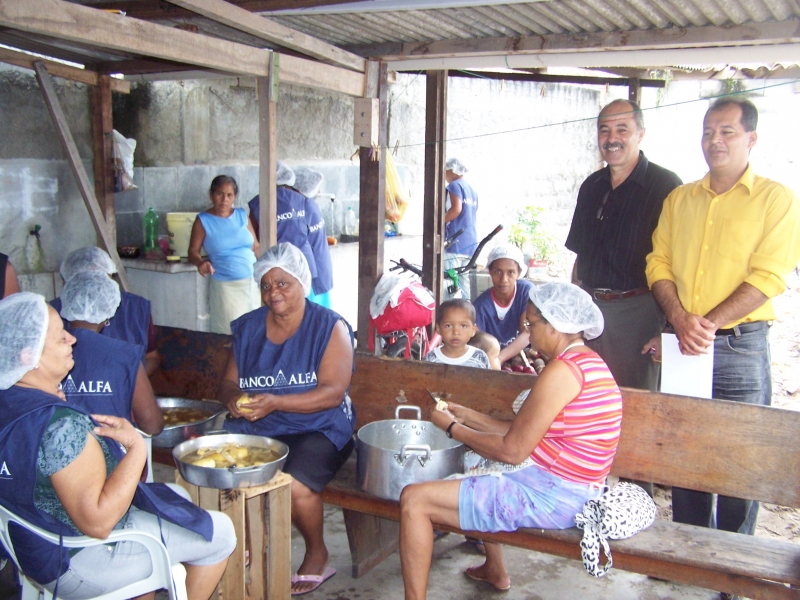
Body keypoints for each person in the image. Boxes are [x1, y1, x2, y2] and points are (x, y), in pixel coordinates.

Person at [0, 292, 235, 599]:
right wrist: (135, 448)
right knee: (221, 533)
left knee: (175, 496)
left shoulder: (13, 401)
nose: (72, 339)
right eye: (60, 338)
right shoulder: (61, 425)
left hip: (31, 543)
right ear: (26, 355)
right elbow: (98, 522)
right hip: (77, 560)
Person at [644, 98, 800, 557]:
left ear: (751, 138)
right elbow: (658, 262)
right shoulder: (680, 198)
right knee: (687, 452)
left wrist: (706, 324)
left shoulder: (776, 200)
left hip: (738, 347)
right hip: (682, 341)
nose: (715, 140)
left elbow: (770, 276)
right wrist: (678, 319)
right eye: (709, 131)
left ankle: (736, 563)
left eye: (728, 131)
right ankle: (692, 556)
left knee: (739, 457)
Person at [399, 282, 622, 598]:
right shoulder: (588, 363)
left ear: (555, 325)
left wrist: (451, 429)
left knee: (414, 500)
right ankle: (494, 568)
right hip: (572, 488)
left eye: (532, 324)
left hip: (556, 497)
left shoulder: (562, 372)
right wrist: (466, 415)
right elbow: (520, 429)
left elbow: (513, 450)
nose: (528, 333)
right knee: (473, 471)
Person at [218, 243, 355, 596]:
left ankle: (317, 551)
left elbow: (332, 393)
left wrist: (276, 402)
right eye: (266, 285)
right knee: (229, 471)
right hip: (260, 425)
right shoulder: (248, 329)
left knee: (293, 485)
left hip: (319, 426)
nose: (273, 292)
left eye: (283, 283)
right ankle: (251, 542)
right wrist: (233, 399)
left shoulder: (329, 327)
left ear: (302, 283)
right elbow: (228, 382)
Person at [566, 99, 682, 392]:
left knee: (634, 399)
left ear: (640, 133)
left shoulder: (666, 186)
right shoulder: (592, 185)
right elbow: (580, 256)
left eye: (622, 129)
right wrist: (575, 307)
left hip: (639, 311)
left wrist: (669, 329)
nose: (612, 138)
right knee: (586, 394)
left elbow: (679, 264)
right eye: (604, 130)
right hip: (590, 308)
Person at [59, 271, 163, 436]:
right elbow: (152, 426)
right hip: (114, 457)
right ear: (108, 310)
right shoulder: (126, 355)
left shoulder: (44, 355)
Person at [52, 247, 161, 376]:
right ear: (68, 283)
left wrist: (128, 381)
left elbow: (152, 357)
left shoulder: (136, 308)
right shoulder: (51, 313)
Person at [189, 175, 260, 335]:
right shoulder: (203, 220)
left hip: (252, 282)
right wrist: (200, 262)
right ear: (211, 194)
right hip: (227, 288)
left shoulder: (242, 215)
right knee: (230, 334)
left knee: (255, 331)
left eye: (229, 195)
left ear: (234, 197)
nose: (224, 200)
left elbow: (255, 246)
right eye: (220, 194)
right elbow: (192, 251)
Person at [473, 244, 532, 364]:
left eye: (511, 272)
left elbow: (527, 332)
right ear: (489, 271)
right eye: (498, 272)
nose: (504, 279)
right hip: (492, 360)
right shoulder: (480, 306)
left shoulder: (525, 292)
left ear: (519, 273)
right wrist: (495, 361)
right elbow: (481, 345)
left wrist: (499, 359)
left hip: (520, 355)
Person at [294, 166, 334, 308]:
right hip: (321, 269)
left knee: (312, 317)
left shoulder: (301, 208)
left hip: (312, 274)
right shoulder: (311, 206)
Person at [444, 158, 479, 299]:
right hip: (470, 243)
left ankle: (447, 315)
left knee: (449, 283)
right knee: (464, 285)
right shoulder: (472, 190)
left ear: (452, 171)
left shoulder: (454, 186)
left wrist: (437, 223)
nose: (444, 175)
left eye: (445, 171)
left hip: (455, 243)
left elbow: (456, 210)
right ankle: (467, 315)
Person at [424, 299, 490, 368]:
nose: (456, 332)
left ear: (473, 330)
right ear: (438, 328)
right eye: (448, 326)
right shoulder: (431, 358)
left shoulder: (479, 357)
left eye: (463, 326)